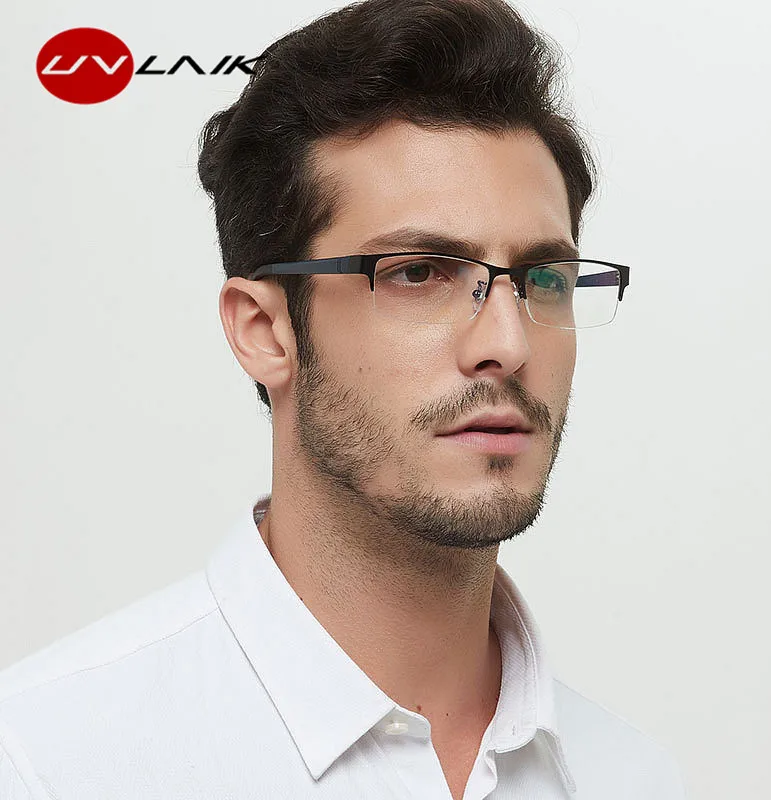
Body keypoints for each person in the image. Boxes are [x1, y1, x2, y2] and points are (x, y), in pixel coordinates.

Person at [0, 1, 685, 797]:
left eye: (543, 279)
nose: (508, 341)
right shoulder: (46, 760)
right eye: (418, 273)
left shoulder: (634, 779)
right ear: (265, 330)